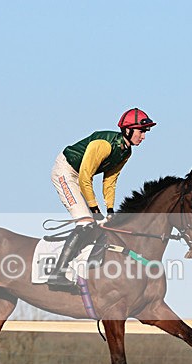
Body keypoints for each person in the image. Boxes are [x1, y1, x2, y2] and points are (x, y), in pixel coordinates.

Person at [47, 108, 156, 289]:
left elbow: (110, 181)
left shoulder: (126, 152)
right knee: (85, 223)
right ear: (128, 130)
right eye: (141, 131)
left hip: (80, 177)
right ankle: (57, 273)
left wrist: (110, 210)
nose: (143, 136)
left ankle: (80, 268)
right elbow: (84, 177)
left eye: (145, 132)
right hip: (66, 173)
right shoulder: (104, 145)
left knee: (98, 225)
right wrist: (96, 210)